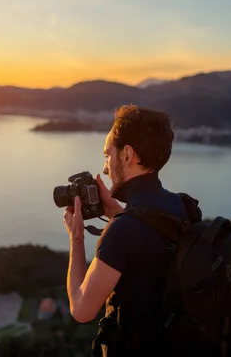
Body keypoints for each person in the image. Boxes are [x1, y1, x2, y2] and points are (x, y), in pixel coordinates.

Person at [62, 104, 187, 356]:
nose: (105, 168)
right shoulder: (182, 206)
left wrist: (76, 237)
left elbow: (82, 309)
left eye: (108, 155)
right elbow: (149, 246)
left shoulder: (123, 231)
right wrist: (116, 212)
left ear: (127, 155)